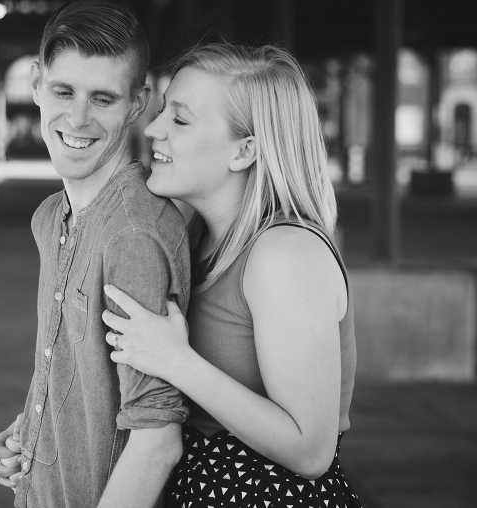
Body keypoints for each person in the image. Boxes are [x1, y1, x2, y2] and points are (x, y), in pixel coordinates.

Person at [99, 43, 363, 507]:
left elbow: (311, 449)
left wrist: (176, 360)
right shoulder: (191, 237)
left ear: (244, 151)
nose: (154, 129)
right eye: (162, 111)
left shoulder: (285, 254)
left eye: (180, 120)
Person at [0, 2, 192, 507]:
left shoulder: (131, 235)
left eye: (103, 98)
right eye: (63, 91)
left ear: (137, 103)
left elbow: (157, 440)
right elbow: (83, 381)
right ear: (36, 85)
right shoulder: (51, 217)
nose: (77, 118)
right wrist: (35, 432)